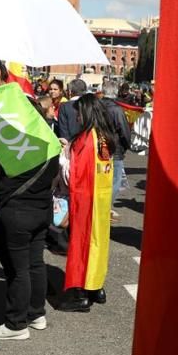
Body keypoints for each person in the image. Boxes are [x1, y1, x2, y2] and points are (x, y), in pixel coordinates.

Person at [0, 57, 60, 340]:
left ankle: (16, 324)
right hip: (41, 208)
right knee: (35, 262)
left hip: (18, 211)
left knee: (18, 267)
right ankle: (37, 315)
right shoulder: (45, 142)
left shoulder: (11, 146)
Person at [57, 94, 116, 312]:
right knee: (98, 245)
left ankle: (79, 294)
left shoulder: (83, 141)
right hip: (100, 202)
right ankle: (96, 288)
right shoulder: (104, 136)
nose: (77, 117)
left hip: (84, 201)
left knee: (81, 246)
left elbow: (72, 175)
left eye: (79, 112)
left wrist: (64, 154)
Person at [99, 80, 132, 216]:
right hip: (115, 148)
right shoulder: (117, 109)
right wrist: (126, 145)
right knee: (115, 180)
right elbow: (124, 131)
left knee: (101, 179)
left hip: (98, 146)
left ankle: (101, 205)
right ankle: (105, 208)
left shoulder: (97, 107)